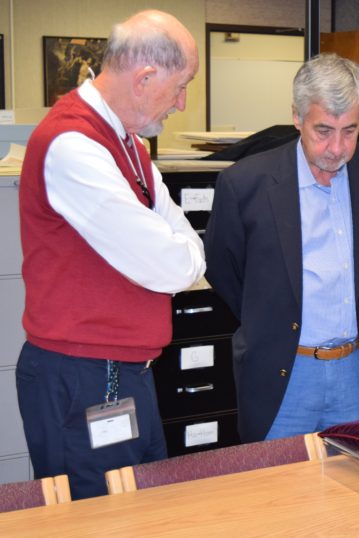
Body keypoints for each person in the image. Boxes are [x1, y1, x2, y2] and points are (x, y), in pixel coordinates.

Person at [17, 10, 205, 499]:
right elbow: (171, 265)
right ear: (144, 78)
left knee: (143, 514)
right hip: (81, 379)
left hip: (129, 374)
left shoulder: (129, 146)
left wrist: (177, 250)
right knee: (94, 520)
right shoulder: (72, 145)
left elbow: (188, 248)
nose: (183, 104)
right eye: (181, 86)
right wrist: (176, 251)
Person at [204, 53, 359, 443]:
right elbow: (225, 271)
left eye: (350, 131)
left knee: (353, 494)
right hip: (282, 371)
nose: (337, 147)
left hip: (353, 371)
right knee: (275, 495)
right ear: (297, 117)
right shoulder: (245, 184)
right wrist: (274, 317)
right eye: (323, 130)